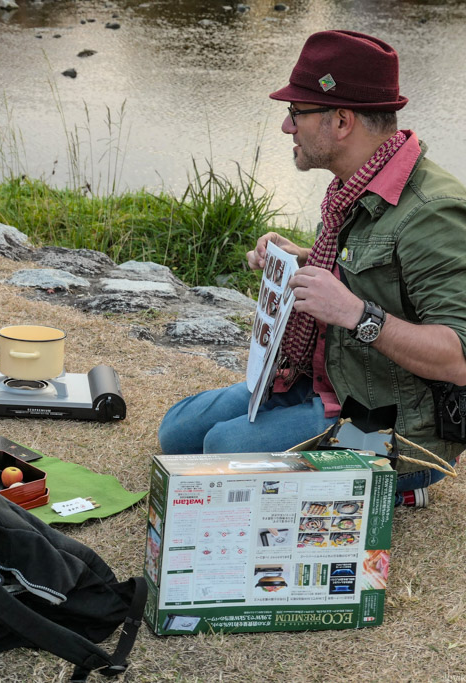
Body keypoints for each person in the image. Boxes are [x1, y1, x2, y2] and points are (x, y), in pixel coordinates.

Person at [158, 30, 466, 506]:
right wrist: (301, 258)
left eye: (297, 112)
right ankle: (327, 454)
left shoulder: (433, 212)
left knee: (223, 449)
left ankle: (398, 487)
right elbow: (374, 269)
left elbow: (458, 359)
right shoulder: (358, 181)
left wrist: (355, 314)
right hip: (323, 382)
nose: (287, 126)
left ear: (341, 121)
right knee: (178, 433)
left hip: (394, 425)